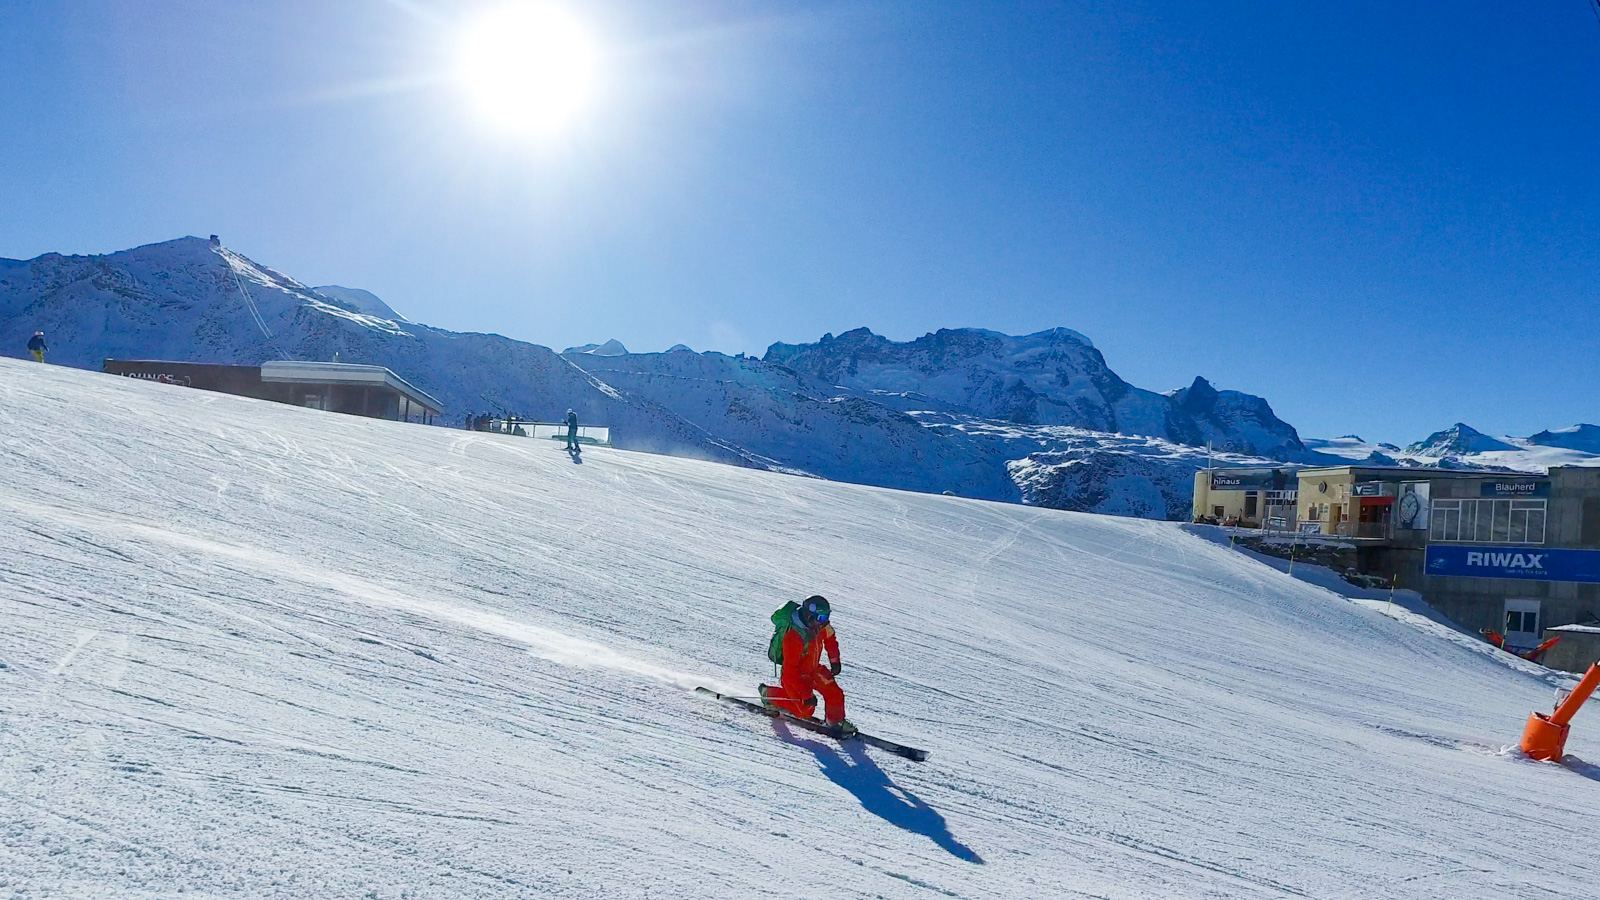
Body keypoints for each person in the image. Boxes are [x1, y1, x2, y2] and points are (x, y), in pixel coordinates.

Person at [760, 595, 856, 736]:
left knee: (834, 693)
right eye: (821, 618)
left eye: (826, 617)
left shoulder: (820, 626)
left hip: (814, 670)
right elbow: (789, 672)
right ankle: (768, 695)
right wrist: (805, 694)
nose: (825, 622)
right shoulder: (794, 636)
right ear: (809, 616)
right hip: (795, 676)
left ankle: (835, 722)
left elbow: (830, 640)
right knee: (804, 710)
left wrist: (835, 660)